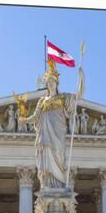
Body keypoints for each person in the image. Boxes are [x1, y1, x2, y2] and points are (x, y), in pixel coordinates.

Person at [23, 60, 75, 188]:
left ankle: (59, 185)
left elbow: (78, 97)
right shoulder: (42, 101)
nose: (50, 84)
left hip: (58, 133)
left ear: (57, 83)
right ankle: (47, 185)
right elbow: (36, 116)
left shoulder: (64, 97)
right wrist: (24, 120)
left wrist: (81, 78)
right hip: (45, 135)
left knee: (59, 157)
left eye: (53, 82)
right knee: (45, 159)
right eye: (49, 83)